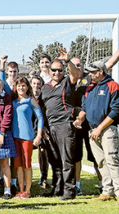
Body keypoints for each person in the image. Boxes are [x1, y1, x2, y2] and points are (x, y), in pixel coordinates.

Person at [74, 61, 119, 205]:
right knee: (101, 162)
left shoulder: (113, 86)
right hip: (92, 130)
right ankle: (107, 191)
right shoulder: (89, 88)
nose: (90, 74)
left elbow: (115, 111)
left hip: (107, 129)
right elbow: (84, 107)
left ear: (101, 72)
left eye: (92, 72)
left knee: (112, 160)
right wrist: (80, 119)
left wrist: (99, 128)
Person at [37, 48, 80, 200]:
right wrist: (43, 128)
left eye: (59, 70)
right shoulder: (45, 88)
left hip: (64, 126)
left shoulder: (67, 82)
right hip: (50, 128)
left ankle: (69, 191)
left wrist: (67, 61)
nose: (56, 73)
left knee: (66, 160)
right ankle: (57, 188)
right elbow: (40, 108)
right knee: (54, 161)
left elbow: (75, 74)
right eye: (54, 70)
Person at [11, 77, 43, 199]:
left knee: (27, 165)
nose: (21, 88)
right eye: (19, 86)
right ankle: (21, 190)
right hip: (15, 137)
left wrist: (38, 135)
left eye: (23, 85)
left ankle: (28, 191)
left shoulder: (31, 101)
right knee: (18, 166)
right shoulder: (14, 102)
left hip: (27, 138)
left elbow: (40, 118)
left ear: (27, 87)